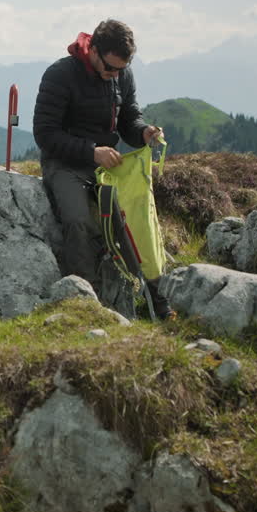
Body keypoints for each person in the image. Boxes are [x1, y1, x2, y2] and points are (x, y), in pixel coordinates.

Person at [32, 19, 172, 319]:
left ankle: (158, 300)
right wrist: (90, 152)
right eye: (110, 68)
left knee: (137, 218)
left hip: (108, 163)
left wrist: (143, 132)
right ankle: (88, 304)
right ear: (93, 50)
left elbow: (128, 118)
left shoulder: (121, 74)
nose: (115, 75)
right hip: (66, 164)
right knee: (78, 221)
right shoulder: (60, 75)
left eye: (121, 70)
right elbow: (45, 134)